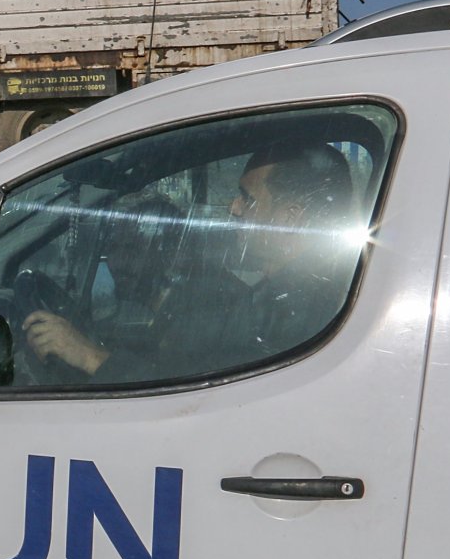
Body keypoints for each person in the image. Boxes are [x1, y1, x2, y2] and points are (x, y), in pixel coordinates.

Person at [21, 142, 355, 382]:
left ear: (292, 217)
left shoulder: (297, 312)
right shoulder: (279, 297)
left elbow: (203, 399)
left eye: (248, 199)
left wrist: (90, 356)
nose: (234, 208)